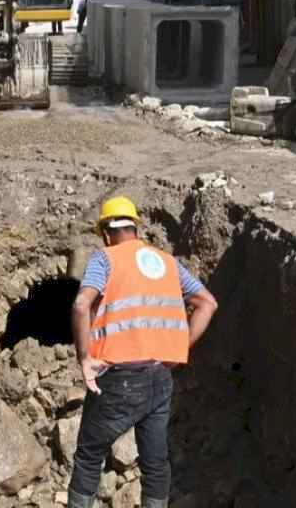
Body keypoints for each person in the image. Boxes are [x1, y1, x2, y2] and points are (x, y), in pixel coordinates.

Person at [66, 197, 219, 508]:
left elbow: (82, 304)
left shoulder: (105, 259)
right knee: (155, 461)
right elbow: (207, 303)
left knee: (89, 454)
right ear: (135, 228)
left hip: (119, 377)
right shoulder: (166, 261)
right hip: (160, 377)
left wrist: (84, 360)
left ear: (106, 233)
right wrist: (178, 349)